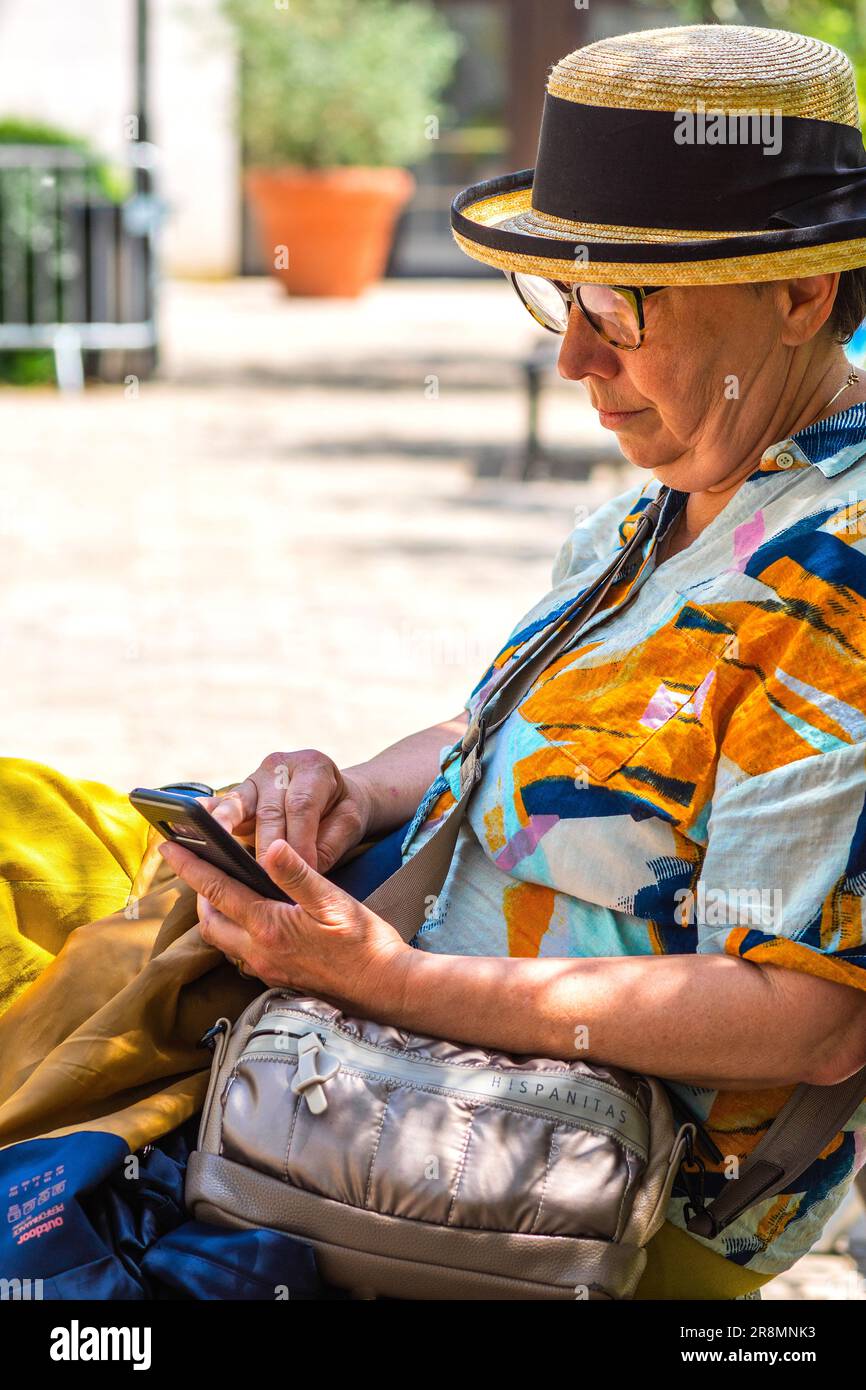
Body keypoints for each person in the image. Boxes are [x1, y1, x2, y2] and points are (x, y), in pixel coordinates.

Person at [3, 22, 866, 1300]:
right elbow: (515, 737)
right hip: (378, 1002)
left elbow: (804, 1020)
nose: (574, 358)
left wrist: (389, 978)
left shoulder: (836, 577)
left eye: (620, 306)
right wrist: (354, 786)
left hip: (537, 1158)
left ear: (798, 293)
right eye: (560, 301)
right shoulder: (683, 496)